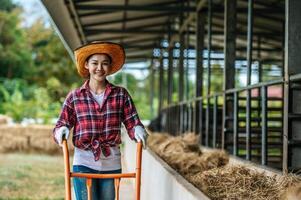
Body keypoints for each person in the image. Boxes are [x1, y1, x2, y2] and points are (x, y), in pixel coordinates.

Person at [53, 41, 148, 200]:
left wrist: (137, 129)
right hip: (83, 162)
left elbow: (132, 122)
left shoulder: (120, 94)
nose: (99, 68)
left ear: (110, 67)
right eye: (94, 63)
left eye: (104, 63)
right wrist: (61, 130)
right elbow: (62, 123)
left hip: (111, 163)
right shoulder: (75, 97)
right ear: (86, 65)